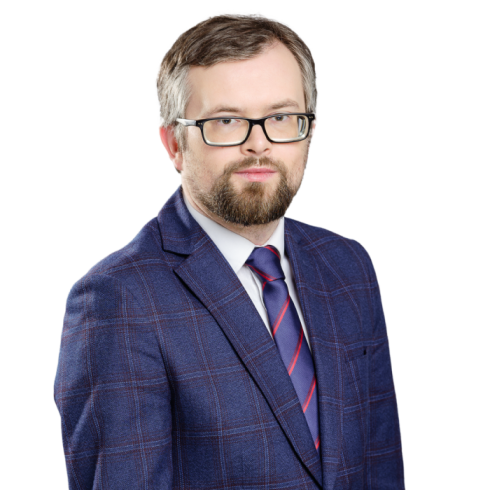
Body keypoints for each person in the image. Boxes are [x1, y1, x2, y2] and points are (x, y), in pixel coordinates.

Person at [53, 11, 404, 489]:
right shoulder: (117, 301)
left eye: (281, 117)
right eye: (226, 121)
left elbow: (380, 467)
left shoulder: (348, 266)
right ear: (174, 143)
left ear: (310, 130)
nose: (259, 144)